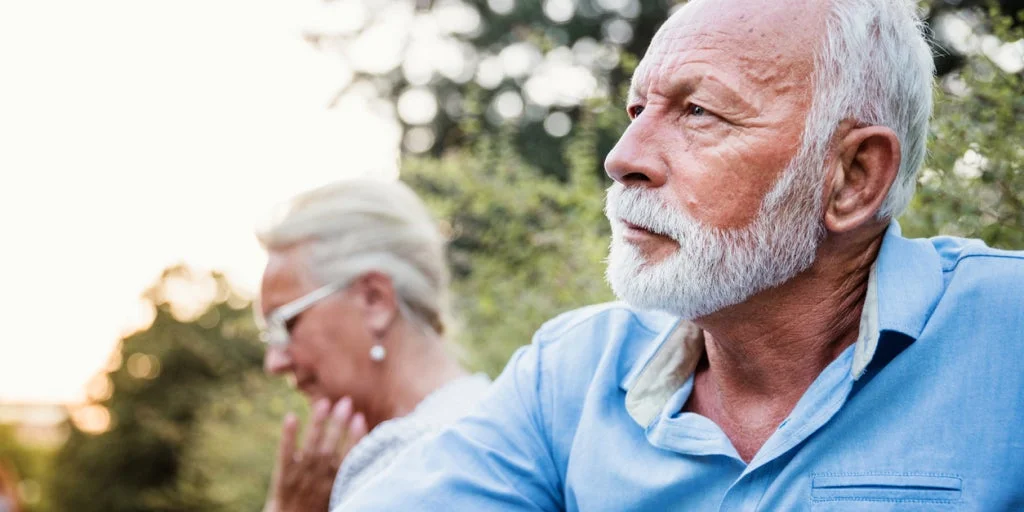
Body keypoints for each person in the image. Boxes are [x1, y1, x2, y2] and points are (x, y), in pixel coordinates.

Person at [337, 0, 1024, 509]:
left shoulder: (1009, 335)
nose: (622, 158)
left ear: (852, 178)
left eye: (699, 112)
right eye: (638, 111)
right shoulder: (570, 375)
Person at [255, 179, 491, 512]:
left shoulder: (425, 473)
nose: (274, 362)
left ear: (374, 300)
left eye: (284, 323)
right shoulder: (482, 423)